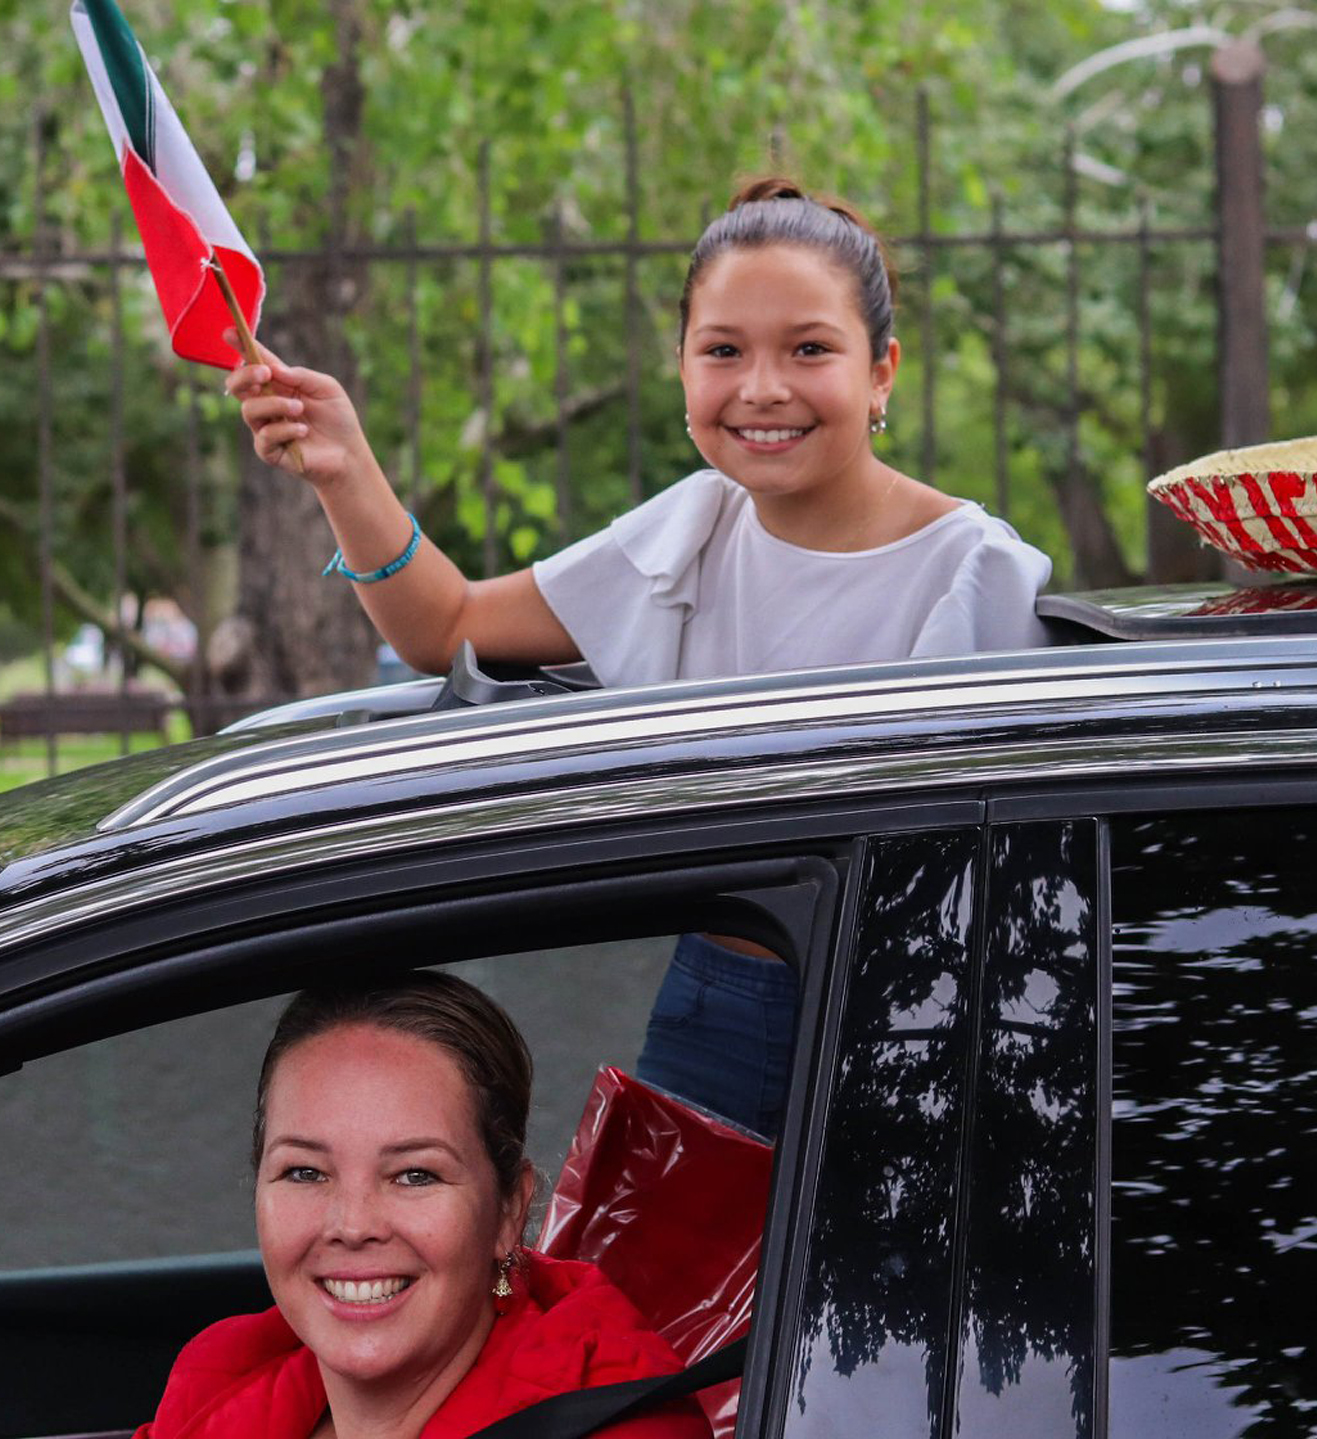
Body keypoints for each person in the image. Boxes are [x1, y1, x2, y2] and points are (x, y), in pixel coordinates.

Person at [225, 178, 1054, 1142]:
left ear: (882, 371)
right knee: (659, 1293)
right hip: (720, 1000)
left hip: (914, 1022)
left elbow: (989, 873)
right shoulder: (691, 526)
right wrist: (344, 466)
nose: (762, 388)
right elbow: (443, 621)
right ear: (681, 367)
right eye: (723, 351)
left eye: (810, 348)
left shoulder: (973, 570)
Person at [134, 973, 711, 1439]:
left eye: (415, 1175)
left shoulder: (619, 1421)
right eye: (305, 1171)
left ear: (509, 1210)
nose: (353, 1225)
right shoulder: (218, 1382)